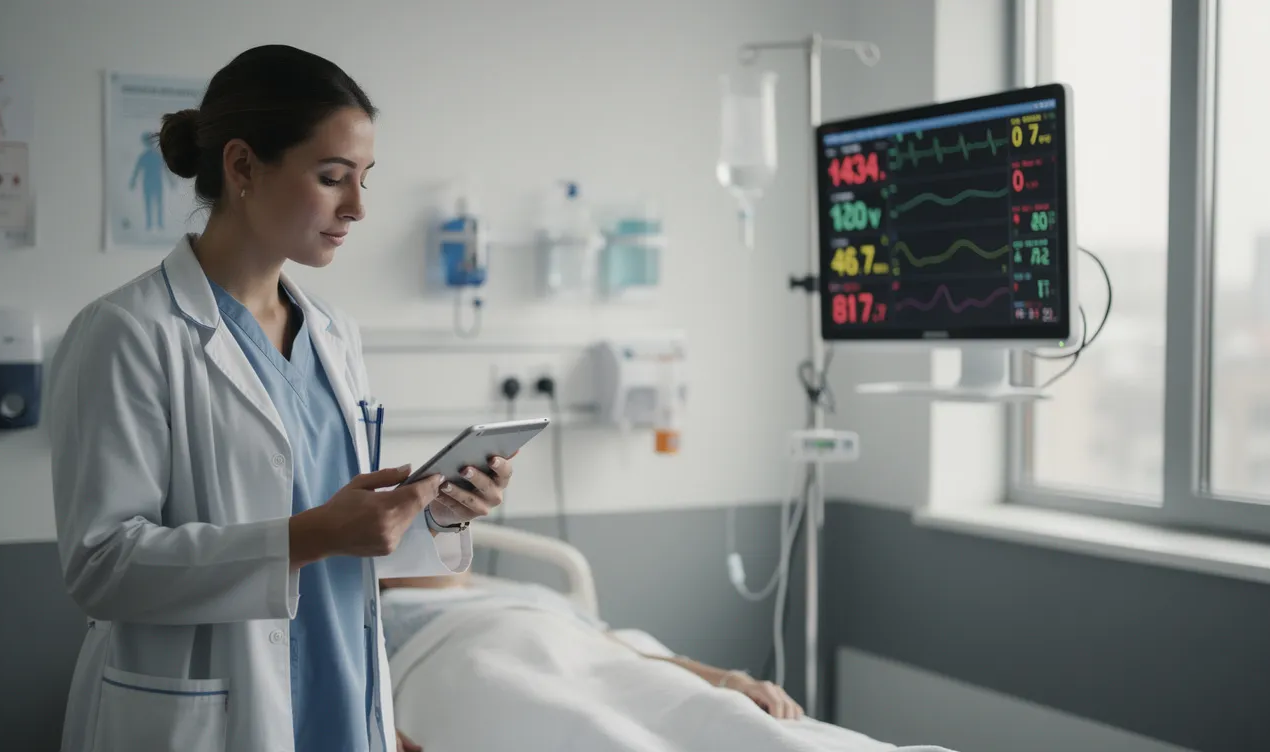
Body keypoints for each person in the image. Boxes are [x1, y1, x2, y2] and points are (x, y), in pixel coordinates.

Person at [46, 44, 512, 752]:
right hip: (206, 714)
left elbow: (347, 536)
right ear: (241, 166)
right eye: (332, 178)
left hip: (341, 683)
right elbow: (102, 567)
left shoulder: (333, 334)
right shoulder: (127, 333)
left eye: (364, 179)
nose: (357, 207)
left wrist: (434, 512)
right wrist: (313, 534)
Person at [379, 573, 806, 721]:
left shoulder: (532, 595)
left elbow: (626, 652)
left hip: (610, 675)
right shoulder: (387, 612)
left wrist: (733, 680)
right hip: (503, 680)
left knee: (720, 718)